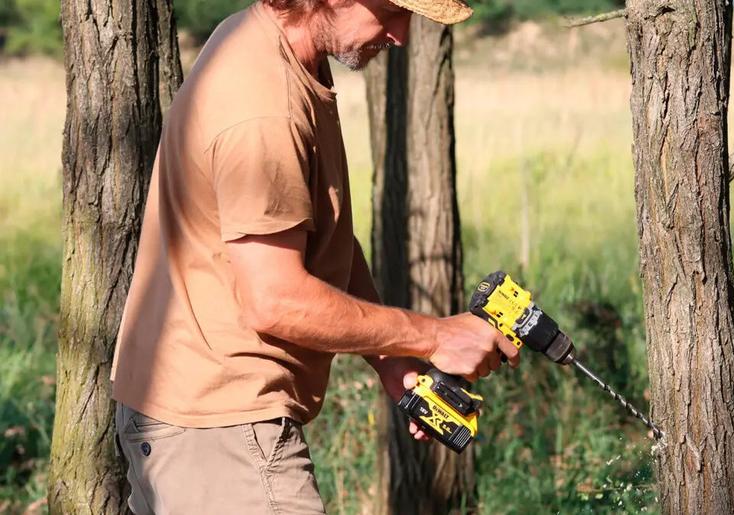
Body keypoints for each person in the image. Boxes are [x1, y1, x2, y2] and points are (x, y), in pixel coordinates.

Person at [109, 0, 518, 512]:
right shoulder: (264, 104)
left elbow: (323, 236)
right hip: (220, 433)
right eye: (391, 12)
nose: (401, 35)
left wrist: (392, 359)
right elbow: (274, 299)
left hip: (192, 418)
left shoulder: (269, 43)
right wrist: (436, 336)